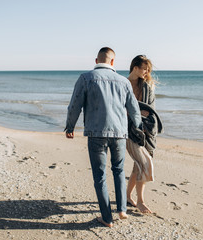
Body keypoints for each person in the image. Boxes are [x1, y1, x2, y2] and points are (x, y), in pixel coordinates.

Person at [65, 47, 142, 227]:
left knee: (99, 176)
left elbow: (75, 105)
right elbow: (134, 110)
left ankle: (107, 218)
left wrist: (70, 126)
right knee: (119, 170)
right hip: (119, 134)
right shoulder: (124, 82)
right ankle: (122, 209)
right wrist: (138, 129)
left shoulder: (86, 78)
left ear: (96, 60)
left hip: (96, 133)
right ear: (113, 62)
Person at [126, 55, 162, 214]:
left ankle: (127, 196)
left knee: (137, 165)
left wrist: (140, 115)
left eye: (149, 69)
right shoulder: (123, 84)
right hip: (127, 130)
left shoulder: (147, 86)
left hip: (146, 130)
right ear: (135, 68)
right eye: (144, 69)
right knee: (143, 163)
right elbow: (119, 108)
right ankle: (140, 201)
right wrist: (136, 112)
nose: (147, 72)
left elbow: (151, 110)